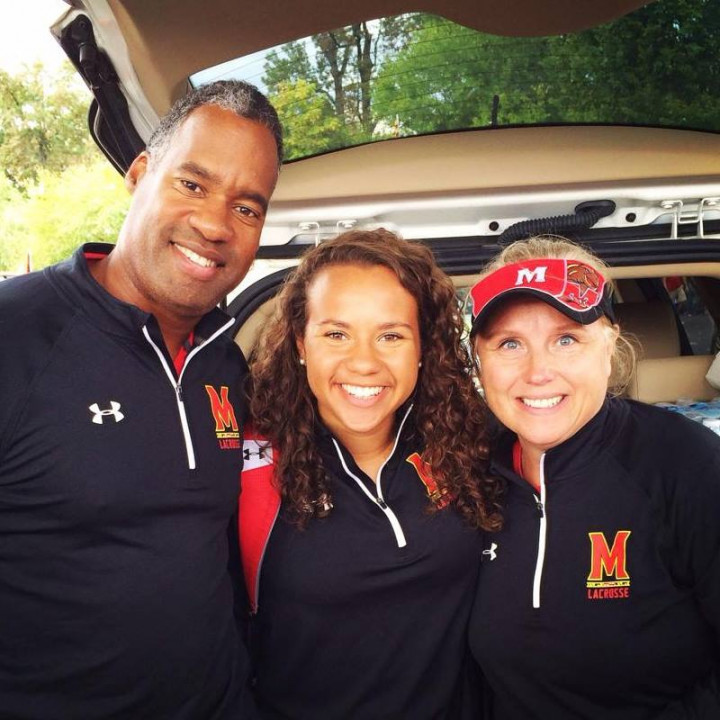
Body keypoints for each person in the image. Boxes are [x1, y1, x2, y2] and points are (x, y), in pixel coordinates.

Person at [0, 80, 283, 719]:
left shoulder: (225, 362)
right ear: (140, 173)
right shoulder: (16, 335)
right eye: (192, 183)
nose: (214, 223)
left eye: (247, 207)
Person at [240, 228, 503, 719]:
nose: (363, 362)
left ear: (424, 346)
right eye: (336, 334)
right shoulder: (245, 462)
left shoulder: (469, 439)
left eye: (391, 335)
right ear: (300, 342)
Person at [467, 235, 720, 719]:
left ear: (609, 347)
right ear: (480, 359)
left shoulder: (686, 464)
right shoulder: (467, 472)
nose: (538, 372)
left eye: (566, 339)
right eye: (510, 344)